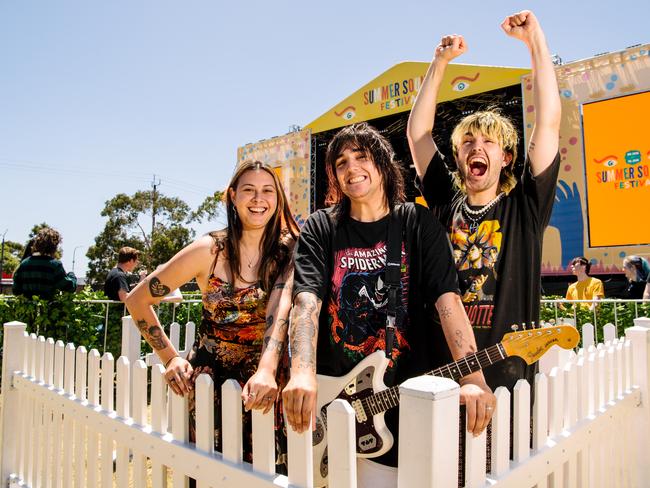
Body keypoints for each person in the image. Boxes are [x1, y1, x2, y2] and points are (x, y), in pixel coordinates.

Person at [282, 122, 494, 486]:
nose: (351, 169)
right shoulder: (321, 227)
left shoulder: (416, 221)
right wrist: (301, 371)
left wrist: (472, 377)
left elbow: (448, 300)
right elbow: (306, 303)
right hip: (336, 402)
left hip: (405, 400)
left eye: (361, 157)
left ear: (382, 163)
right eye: (341, 163)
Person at [407, 10, 561, 391]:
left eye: (488, 141)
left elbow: (549, 122)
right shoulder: (444, 204)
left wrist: (535, 42)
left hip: (507, 383)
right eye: (468, 143)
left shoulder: (524, 208)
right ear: (458, 158)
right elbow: (418, 134)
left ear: (506, 157)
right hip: (442, 380)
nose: (477, 147)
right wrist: (439, 62)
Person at [125, 160, 299, 472]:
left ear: (278, 198)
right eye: (249, 190)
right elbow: (138, 299)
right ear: (233, 196)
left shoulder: (289, 250)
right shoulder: (208, 250)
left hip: (268, 383)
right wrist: (169, 357)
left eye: (267, 191)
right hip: (210, 387)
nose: (258, 199)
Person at [12, 228, 77, 299]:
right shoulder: (54, 265)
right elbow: (69, 287)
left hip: (28, 309)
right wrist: (72, 275)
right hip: (48, 308)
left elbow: (16, 291)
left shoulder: (24, 264)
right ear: (54, 246)